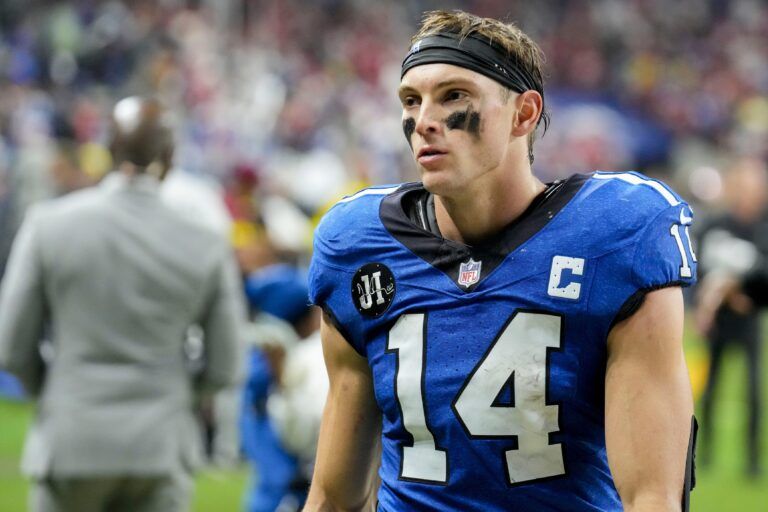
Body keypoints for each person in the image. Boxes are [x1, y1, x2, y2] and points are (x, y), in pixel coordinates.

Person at [305, 10, 698, 512]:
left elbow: (652, 498)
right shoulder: (356, 244)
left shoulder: (616, 233)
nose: (423, 120)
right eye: (411, 99)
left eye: (454, 96)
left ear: (524, 114)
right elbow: (334, 498)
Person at [0, 96, 244, 512]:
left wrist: (58, 391)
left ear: (109, 150)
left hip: (71, 440)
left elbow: (11, 346)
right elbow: (226, 363)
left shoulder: (49, 225)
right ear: (170, 155)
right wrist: (175, 396)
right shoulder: (204, 240)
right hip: (160, 448)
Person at [695, 157, 768, 477]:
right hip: (719, 320)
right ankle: (704, 452)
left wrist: (740, 292)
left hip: (748, 319)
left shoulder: (762, 227)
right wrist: (720, 295)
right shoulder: (716, 224)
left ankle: (752, 459)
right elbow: (700, 266)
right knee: (711, 387)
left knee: (753, 389)